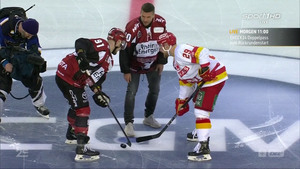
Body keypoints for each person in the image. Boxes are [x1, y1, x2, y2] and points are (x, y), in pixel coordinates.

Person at [55, 28, 126, 162]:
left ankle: (72, 135)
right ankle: (81, 150)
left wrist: (98, 92)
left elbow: (93, 80)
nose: (121, 47)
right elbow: (81, 42)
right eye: (121, 44)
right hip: (68, 76)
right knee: (83, 110)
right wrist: (81, 56)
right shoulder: (103, 46)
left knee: (76, 106)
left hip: (71, 79)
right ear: (117, 40)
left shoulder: (108, 62)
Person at [157, 32, 228, 161]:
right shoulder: (176, 62)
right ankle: (199, 133)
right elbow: (186, 82)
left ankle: (203, 147)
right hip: (205, 80)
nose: (160, 50)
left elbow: (202, 52)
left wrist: (205, 69)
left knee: (201, 111)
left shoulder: (180, 50)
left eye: (160, 47)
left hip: (214, 78)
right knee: (197, 101)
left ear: (166, 45)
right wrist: (182, 101)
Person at [119, 2, 168, 137]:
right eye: (143, 16)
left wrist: (161, 61)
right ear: (140, 13)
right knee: (131, 92)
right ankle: (129, 123)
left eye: (148, 17)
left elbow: (164, 43)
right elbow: (124, 49)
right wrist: (126, 70)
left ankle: (149, 116)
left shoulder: (160, 23)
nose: (145, 19)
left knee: (155, 89)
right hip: (134, 66)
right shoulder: (132, 27)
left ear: (153, 15)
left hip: (152, 64)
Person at [0, 15, 49, 122]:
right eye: (29, 34)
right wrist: (4, 63)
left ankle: (39, 104)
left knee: (34, 77)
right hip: (2, 56)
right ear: (23, 28)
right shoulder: (2, 27)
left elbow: (36, 49)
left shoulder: (30, 33)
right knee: (2, 86)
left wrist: (37, 61)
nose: (29, 37)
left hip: (15, 56)